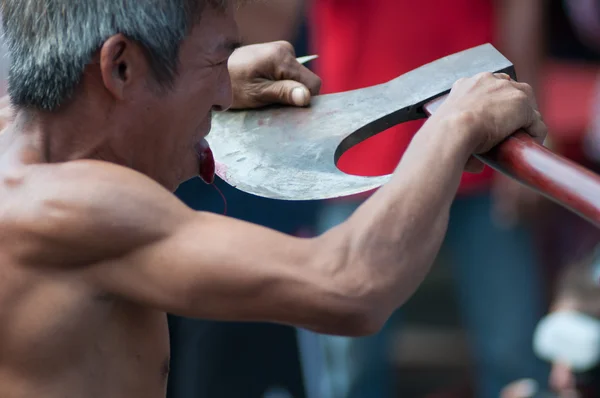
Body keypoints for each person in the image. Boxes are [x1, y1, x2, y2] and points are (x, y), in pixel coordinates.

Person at [0, 1, 547, 398]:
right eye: (216, 64)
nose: (221, 97)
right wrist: (456, 124)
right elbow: (350, 284)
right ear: (121, 68)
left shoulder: (23, 138)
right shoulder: (71, 208)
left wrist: (216, 75)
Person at [297, 1, 549, 397]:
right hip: (359, 158)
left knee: (514, 354)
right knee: (350, 363)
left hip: (486, 150)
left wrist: (530, 119)